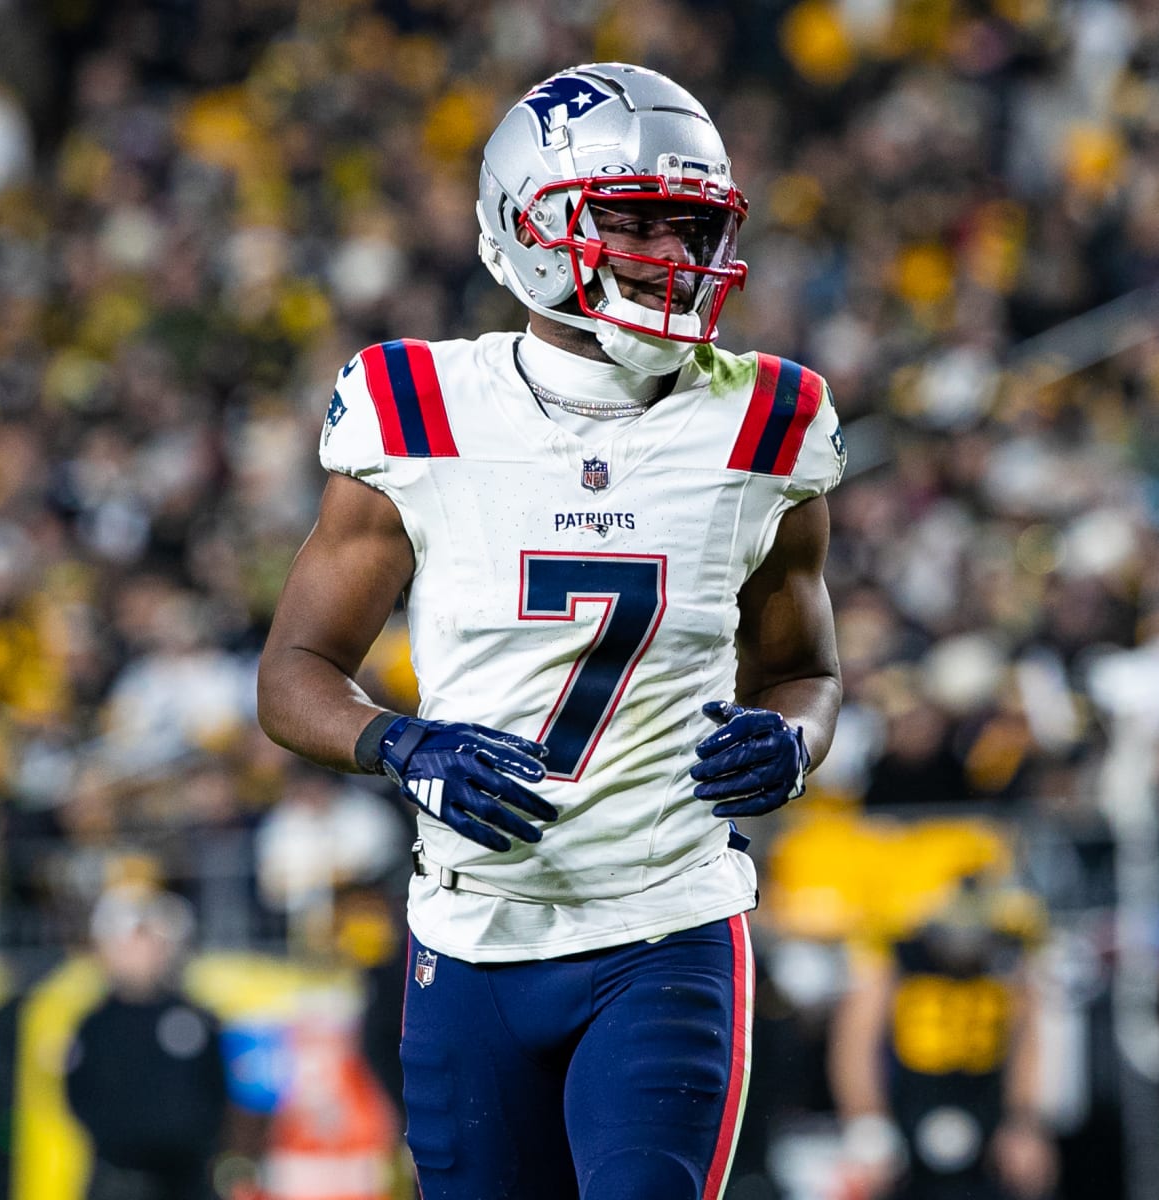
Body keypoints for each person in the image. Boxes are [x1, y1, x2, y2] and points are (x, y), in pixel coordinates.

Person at [257, 61, 844, 1200]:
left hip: (667, 926)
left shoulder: (770, 417)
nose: (677, 258)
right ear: (533, 225)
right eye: (637, 225)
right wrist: (403, 745)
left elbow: (806, 672)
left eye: (691, 228)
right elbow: (294, 671)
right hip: (471, 933)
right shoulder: (416, 406)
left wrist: (794, 741)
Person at [828, 876, 1056, 1200]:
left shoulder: (1005, 960)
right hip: (906, 1107)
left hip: (985, 1107)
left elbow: (1026, 1041)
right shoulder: (899, 959)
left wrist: (1023, 1120)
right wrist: (866, 1118)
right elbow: (856, 1040)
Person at [65, 886, 228, 1200]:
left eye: (145, 941)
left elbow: (216, 1089)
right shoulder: (93, 1025)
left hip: (186, 1177)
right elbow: (77, 1096)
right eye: (126, 944)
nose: (137, 953)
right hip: (119, 1176)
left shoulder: (194, 1017)